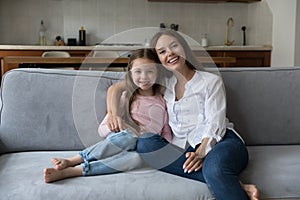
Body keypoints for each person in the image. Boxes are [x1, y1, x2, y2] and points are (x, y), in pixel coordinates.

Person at [106, 30, 259, 200]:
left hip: (221, 142)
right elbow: (117, 87)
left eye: (174, 46)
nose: (170, 53)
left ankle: (220, 176)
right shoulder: (163, 84)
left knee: (214, 168)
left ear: (184, 48)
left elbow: (216, 123)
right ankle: (233, 184)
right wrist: (114, 114)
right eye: (162, 51)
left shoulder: (210, 81)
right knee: (146, 144)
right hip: (184, 149)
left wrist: (202, 152)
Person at [44, 48, 172, 183]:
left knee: (138, 159)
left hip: (141, 149)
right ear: (130, 73)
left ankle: (76, 171)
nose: (144, 77)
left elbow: (165, 131)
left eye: (150, 71)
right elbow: (103, 129)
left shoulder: (162, 101)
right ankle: (73, 160)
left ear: (158, 73)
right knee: (131, 137)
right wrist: (121, 127)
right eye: (138, 71)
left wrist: (164, 150)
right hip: (122, 141)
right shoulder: (126, 97)